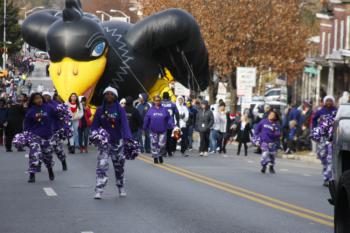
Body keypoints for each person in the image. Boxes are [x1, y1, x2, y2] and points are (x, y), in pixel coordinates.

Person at [90, 87, 132, 199]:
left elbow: (125, 125)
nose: (109, 96)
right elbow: (94, 126)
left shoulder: (120, 109)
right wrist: (95, 135)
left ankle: (121, 186)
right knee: (102, 165)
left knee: (119, 167)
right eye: (107, 94)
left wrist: (128, 138)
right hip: (105, 143)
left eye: (111, 94)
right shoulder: (99, 110)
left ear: (115, 96)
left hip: (118, 142)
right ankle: (99, 190)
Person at [24, 93, 58, 183]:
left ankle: (50, 170)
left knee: (48, 156)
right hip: (35, 136)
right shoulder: (30, 111)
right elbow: (26, 125)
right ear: (33, 101)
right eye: (36, 99)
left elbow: (57, 116)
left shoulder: (49, 108)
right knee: (34, 154)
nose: (39, 100)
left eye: (40, 98)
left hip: (47, 136)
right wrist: (26, 135)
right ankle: (32, 175)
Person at [311, 95, 337, 186]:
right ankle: (325, 166)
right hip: (322, 136)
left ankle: (327, 178)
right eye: (327, 101)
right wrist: (315, 129)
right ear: (324, 102)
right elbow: (313, 120)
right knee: (322, 155)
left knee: (330, 158)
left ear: (333, 102)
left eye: (330, 101)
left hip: (332, 137)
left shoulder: (336, 111)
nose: (329, 102)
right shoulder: (320, 111)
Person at [144, 95, 175, 164]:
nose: (157, 102)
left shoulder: (164, 109)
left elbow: (169, 118)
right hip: (153, 130)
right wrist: (144, 127)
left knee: (162, 144)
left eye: (159, 100)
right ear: (154, 101)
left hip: (163, 130)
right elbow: (146, 119)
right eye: (156, 100)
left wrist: (173, 125)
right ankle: (155, 157)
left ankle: (160, 155)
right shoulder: (151, 110)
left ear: (160, 101)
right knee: (154, 144)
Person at [43, 91, 68, 170]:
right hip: (43, 131)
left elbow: (61, 116)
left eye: (47, 96)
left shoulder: (55, 105)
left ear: (50, 96)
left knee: (57, 148)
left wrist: (63, 127)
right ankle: (38, 165)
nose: (45, 97)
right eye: (44, 96)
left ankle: (63, 162)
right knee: (42, 149)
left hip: (54, 130)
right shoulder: (40, 105)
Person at [161, 92, 179, 156]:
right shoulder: (173, 104)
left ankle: (164, 151)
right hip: (170, 123)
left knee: (163, 138)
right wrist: (178, 122)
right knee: (169, 138)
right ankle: (169, 151)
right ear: (169, 97)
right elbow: (177, 113)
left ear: (163, 97)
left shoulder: (160, 104)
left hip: (162, 123)